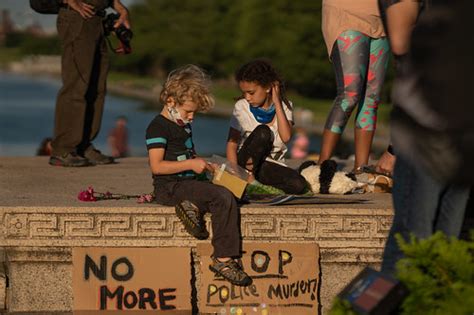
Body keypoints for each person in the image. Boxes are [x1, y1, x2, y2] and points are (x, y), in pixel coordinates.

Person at [379, 0, 472, 275]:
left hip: (462, 126)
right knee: (413, 237)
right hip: (426, 128)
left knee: (448, 240)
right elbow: (399, 40)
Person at [145, 65, 252, 286]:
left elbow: (186, 157)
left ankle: (192, 205)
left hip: (188, 182)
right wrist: (192, 164)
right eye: (188, 112)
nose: (192, 117)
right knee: (222, 197)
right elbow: (157, 166)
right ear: (170, 102)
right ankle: (223, 259)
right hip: (170, 187)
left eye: (194, 113)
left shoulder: (182, 124)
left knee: (238, 190)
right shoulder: (157, 127)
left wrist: (206, 166)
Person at [49, 0, 130, 167]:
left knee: (97, 88)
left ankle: (83, 146)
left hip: (97, 20)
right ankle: (64, 148)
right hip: (77, 18)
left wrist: (120, 9)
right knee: (76, 86)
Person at [318, 0, 390, 172]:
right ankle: (321, 167)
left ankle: (361, 170)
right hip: (347, 13)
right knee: (350, 95)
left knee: (371, 99)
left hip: (384, 19)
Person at [226, 59, 307, 195]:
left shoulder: (285, 107)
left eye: (251, 93)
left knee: (299, 185)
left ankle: (259, 189)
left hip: (266, 166)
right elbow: (231, 144)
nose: (247, 97)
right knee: (263, 132)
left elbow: (286, 137)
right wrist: (235, 172)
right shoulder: (241, 107)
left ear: (268, 88)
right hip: (244, 163)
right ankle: (249, 182)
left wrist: (277, 102)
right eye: (244, 92)